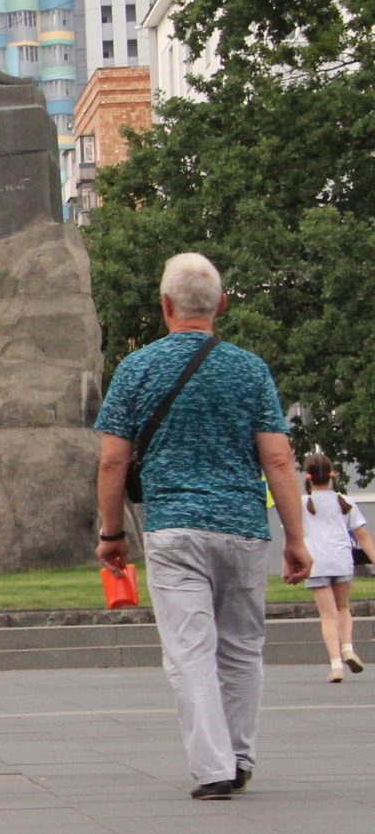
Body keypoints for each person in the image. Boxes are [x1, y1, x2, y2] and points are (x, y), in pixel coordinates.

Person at [95, 253, 312, 799]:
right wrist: (296, 540)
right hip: (242, 528)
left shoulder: (137, 368)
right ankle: (239, 756)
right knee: (241, 648)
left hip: (174, 531)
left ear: (165, 306)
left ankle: (213, 768)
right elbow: (280, 461)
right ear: (222, 305)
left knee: (190, 651)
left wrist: (112, 533)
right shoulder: (249, 370)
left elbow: (112, 461)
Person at [301, 451, 369, 682]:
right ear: (333, 474)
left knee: (327, 616)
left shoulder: (302, 504)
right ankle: (348, 647)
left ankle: (336, 665)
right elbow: (364, 537)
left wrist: (288, 566)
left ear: (308, 476)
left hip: (316, 563)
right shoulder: (345, 502)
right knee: (343, 608)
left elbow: (295, 538)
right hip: (341, 560)